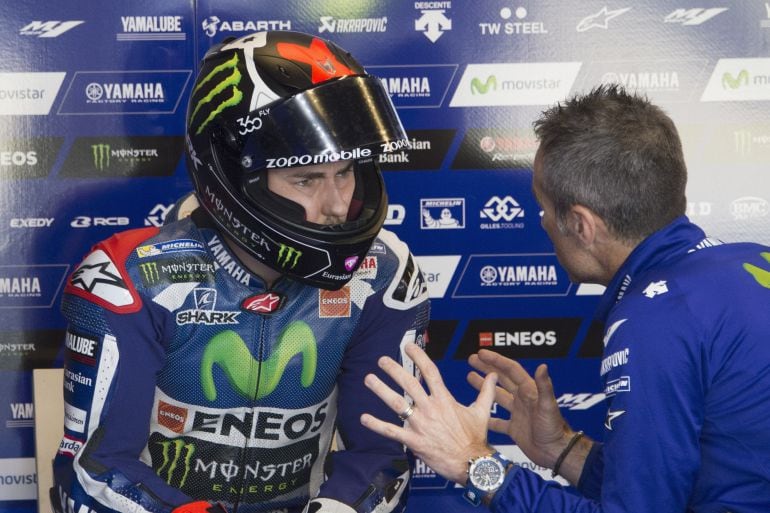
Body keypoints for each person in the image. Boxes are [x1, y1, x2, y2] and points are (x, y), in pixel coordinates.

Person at [52, 30, 429, 513]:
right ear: (234, 173)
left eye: (346, 171)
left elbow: (382, 453)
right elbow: (95, 467)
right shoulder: (130, 279)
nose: (337, 204)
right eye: (306, 177)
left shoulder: (383, 276)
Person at [360, 85, 770, 512]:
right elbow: (672, 486)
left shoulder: (655, 319)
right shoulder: (751, 261)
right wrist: (560, 447)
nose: (541, 223)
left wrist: (473, 464)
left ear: (581, 224)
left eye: (542, 207)